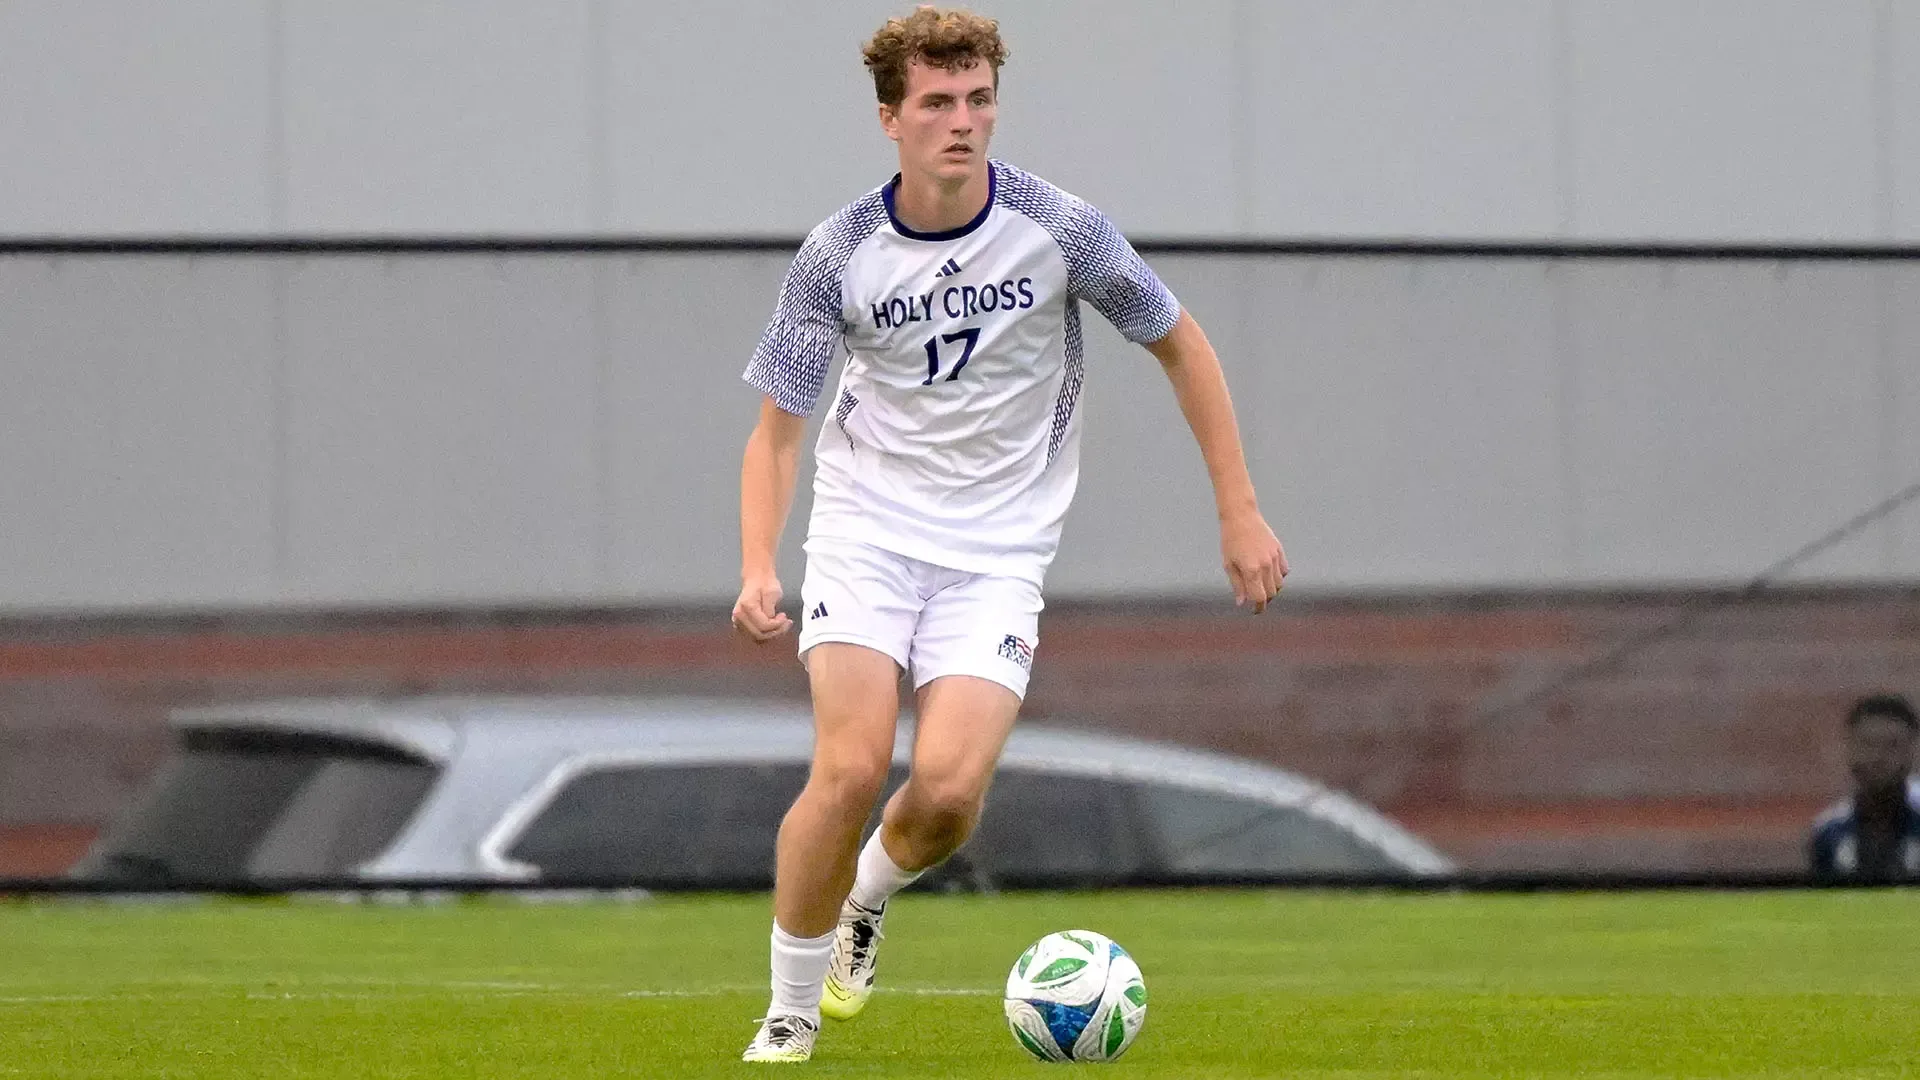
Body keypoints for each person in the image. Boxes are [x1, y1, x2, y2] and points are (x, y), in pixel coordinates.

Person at [729, 6, 1287, 1062]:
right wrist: (761, 564)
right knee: (848, 772)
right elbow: (775, 436)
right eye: (937, 102)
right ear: (890, 119)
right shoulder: (838, 253)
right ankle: (790, 1018)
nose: (963, 121)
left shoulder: (1061, 229)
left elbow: (1181, 343)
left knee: (942, 793)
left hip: (996, 553)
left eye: (978, 99)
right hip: (867, 536)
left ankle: (866, 897)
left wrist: (1239, 508)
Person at [1809, 693, 1920, 883]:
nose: (1878, 758)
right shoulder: (1829, 832)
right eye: (1867, 745)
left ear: (1911, 752)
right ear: (1850, 750)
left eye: (1891, 746)